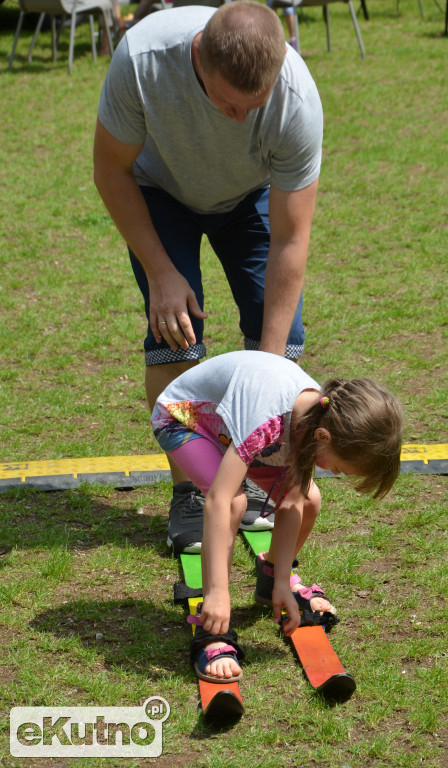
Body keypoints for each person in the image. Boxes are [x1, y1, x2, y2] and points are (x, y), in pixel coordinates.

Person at [93, 2, 323, 545]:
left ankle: (261, 474)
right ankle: (191, 492)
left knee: (282, 338)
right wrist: (160, 271)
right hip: (158, 191)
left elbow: (292, 236)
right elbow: (110, 169)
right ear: (198, 56)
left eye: (254, 106)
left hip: (249, 197)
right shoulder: (144, 59)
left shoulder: (296, 100)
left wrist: (266, 376)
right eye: (227, 104)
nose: (241, 119)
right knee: (174, 332)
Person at [151, 350, 403, 682]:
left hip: (233, 429)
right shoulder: (267, 418)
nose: (337, 473)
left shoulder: (318, 417)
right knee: (234, 503)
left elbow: (293, 503)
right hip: (184, 419)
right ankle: (212, 626)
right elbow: (218, 501)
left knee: (310, 497)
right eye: (339, 467)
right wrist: (218, 593)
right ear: (324, 438)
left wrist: (282, 581)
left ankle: (270, 581)